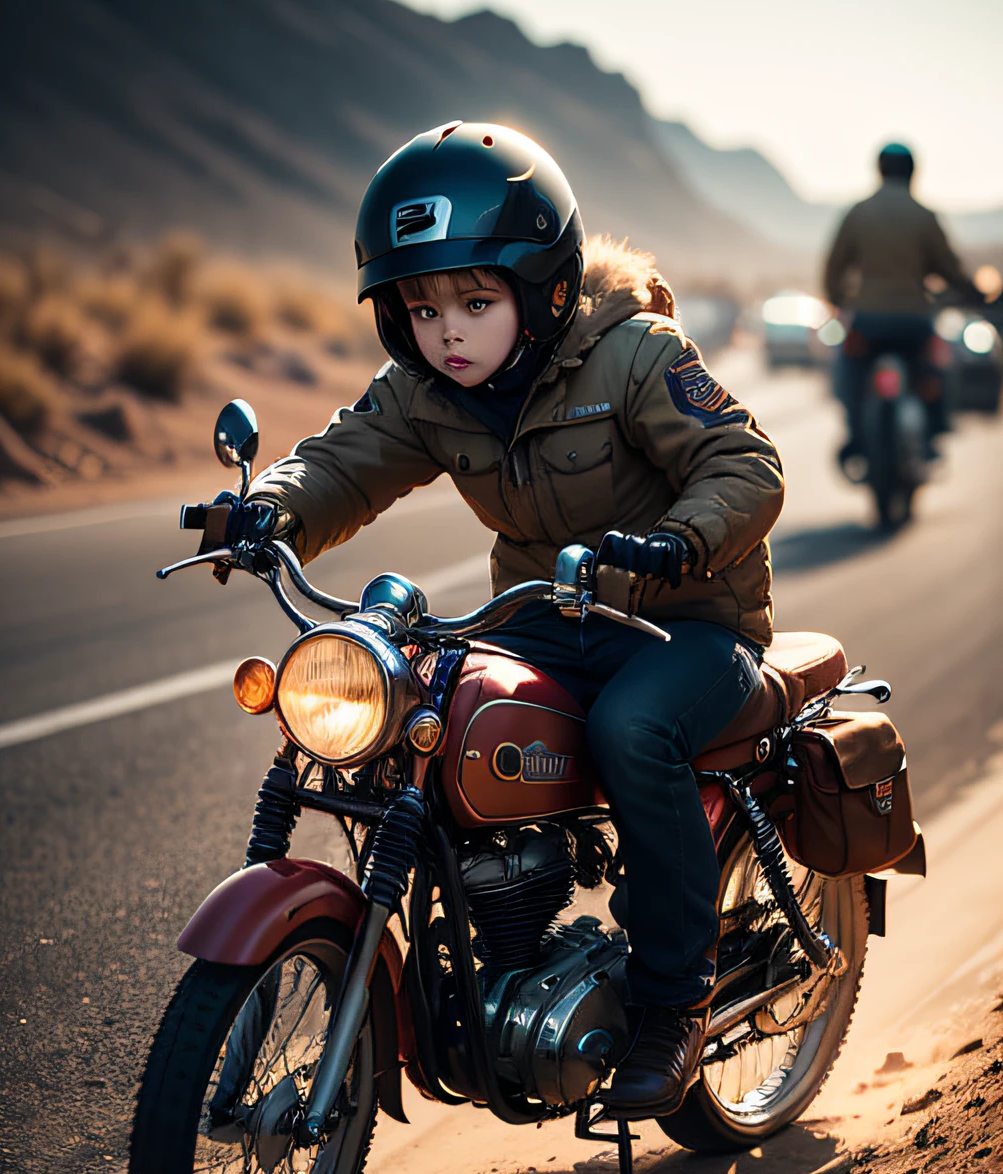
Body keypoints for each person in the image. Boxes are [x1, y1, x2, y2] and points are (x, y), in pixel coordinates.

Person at [239, 122, 783, 1115]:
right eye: (420, 306)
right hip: (547, 617)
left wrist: (682, 539)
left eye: (474, 301)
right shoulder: (427, 392)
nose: (446, 329)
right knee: (429, 708)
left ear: (545, 291)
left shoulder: (636, 354)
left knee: (633, 729)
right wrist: (264, 507)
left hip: (686, 623)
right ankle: (498, 968)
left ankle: (673, 1003)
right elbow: (338, 460)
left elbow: (743, 464)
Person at [824, 142, 983, 469]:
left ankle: (855, 437)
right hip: (914, 321)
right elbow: (949, 269)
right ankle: (933, 436)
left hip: (867, 320)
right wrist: (972, 293)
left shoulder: (858, 213)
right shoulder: (924, 216)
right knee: (932, 372)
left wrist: (840, 300)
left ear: (878, 170)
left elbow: (833, 268)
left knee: (851, 373)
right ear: (913, 172)